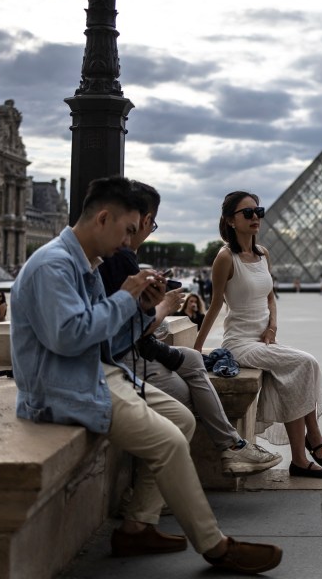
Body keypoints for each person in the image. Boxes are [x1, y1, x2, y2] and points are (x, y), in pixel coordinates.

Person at [10, 176, 281, 573]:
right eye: (128, 229)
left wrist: (139, 306)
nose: (128, 241)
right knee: (170, 440)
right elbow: (70, 336)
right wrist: (125, 296)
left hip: (95, 373)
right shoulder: (55, 265)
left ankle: (138, 525)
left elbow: (104, 333)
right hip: (64, 386)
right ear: (104, 218)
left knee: (183, 420)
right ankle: (214, 544)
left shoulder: (82, 263)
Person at [98, 181, 282, 479]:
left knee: (195, 361)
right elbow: (130, 330)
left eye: (257, 211)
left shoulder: (117, 258)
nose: (141, 232)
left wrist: (151, 304)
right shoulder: (119, 259)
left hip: (138, 350)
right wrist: (163, 306)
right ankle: (230, 448)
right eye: (147, 225)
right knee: (184, 399)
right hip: (125, 358)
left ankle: (233, 446)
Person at [194, 191, 322, 480]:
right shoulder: (225, 258)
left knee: (294, 378)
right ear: (230, 221)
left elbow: (271, 297)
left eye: (258, 211)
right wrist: (195, 349)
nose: (256, 217)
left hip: (264, 339)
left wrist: (272, 327)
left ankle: (299, 460)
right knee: (306, 362)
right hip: (240, 343)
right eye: (247, 213)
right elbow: (215, 305)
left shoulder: (263, 254)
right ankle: (315, 436)